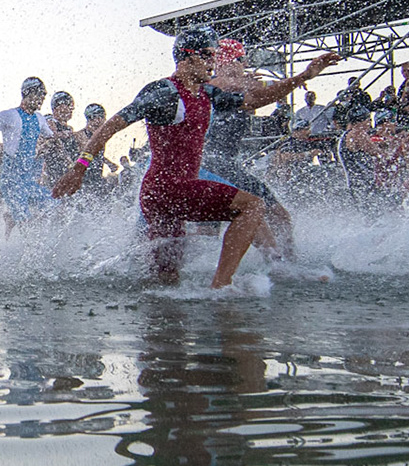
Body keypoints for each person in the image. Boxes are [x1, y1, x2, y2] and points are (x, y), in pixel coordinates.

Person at [51, 26, 266, 288]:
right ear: (188, 57)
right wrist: (79, 168)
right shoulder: (164, 92)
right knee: (252, 205)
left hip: (160, 193)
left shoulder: (207, 93)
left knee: (166, 277)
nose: (214, 63)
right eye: (209, 55)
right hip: (168, 189)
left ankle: (156, 313)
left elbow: (254, 100)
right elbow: (111, 125)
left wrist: (303, 76)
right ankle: (221, 286)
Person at [200, 39, 339, 258]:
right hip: (215, 164)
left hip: (219, 164)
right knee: (271, 212)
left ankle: (198, 266)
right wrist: (301, 77)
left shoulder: (233, 85)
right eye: (240, 59)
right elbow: (246, 89)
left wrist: (286, 81)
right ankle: (284, 263)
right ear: (226, 61)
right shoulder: (219, 84)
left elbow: (254, 91)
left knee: (211, 226)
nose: (245, 64)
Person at [0, 77, 54, 233]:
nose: (42, 100)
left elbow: (52, 139)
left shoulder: (40, 119)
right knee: (26, 223)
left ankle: (11, 221)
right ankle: (18, 248)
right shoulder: (8, 115)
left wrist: (47, 148)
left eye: (44, 96)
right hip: (11, 183)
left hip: (29, 183)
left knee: (56, 206)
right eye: (40, 95)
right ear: (28, 93)